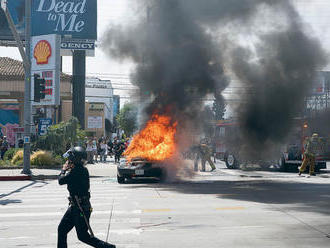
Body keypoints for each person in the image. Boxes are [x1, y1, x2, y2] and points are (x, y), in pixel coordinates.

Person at [57, 146, 116, 248]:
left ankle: (108, 247)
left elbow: (61, 181)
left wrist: (63, 170)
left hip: (80, 208)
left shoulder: (76, 172)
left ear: (75, 159)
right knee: (62, 229)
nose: (68, 161)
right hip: (76, 206)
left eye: (70, 159)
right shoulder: (81, 170)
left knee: (83, 236)